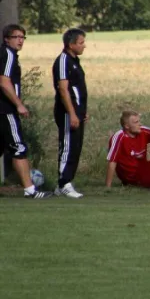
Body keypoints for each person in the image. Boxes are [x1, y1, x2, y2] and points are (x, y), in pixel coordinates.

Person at [0, 24, 52, 198]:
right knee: (19, 147)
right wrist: (18, 104)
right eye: (16, 37)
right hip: (6, 110)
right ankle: (30, 190)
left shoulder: (10, 54)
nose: (20, 40)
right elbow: (4, 81)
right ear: (7, 39)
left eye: (23, 37)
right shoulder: (7, 54)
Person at [52, 28, 88, 198]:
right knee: (67, 146)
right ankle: (63, 183)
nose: (84, 46)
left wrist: (82, 112)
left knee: (75, 147)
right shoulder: (63, 61)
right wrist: (72, 113)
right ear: (70, 44)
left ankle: (66, 182)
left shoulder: (75, 61)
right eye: (81, 43)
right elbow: (64, 90)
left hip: (77, 113)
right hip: (67, 113)